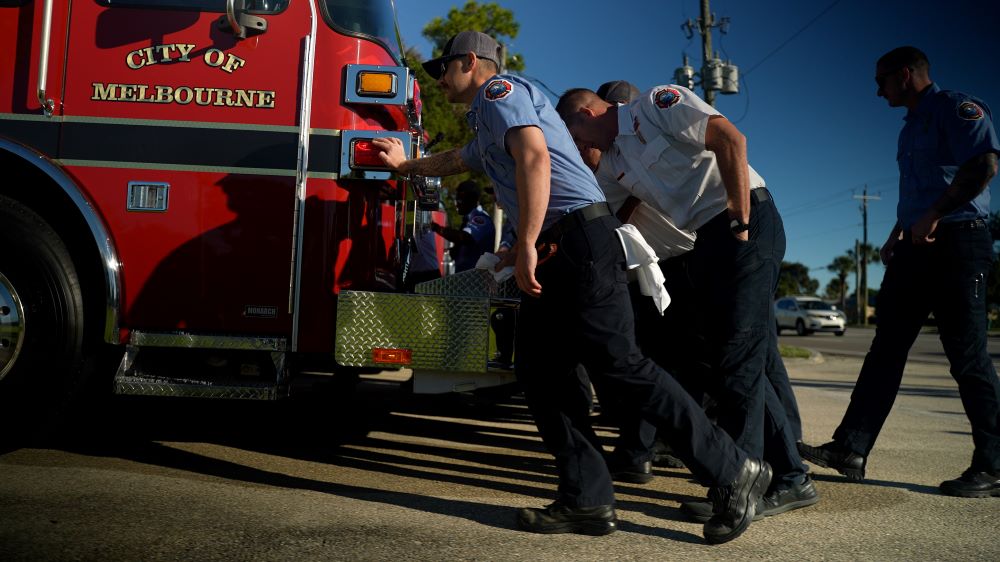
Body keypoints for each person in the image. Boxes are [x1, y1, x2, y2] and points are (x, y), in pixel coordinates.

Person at [372, 30, 770, 543]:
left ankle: (733, 471)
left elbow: (535, 159)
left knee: (621, 365)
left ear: (471, 62)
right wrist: (406, 165)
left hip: (578, 241)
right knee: (542, 372)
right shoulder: (488, 118)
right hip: (564, 245)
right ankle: (587, 499)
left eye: (442, 67)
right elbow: (458, 159)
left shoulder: (503, 95)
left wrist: (528, 242)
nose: (439, 78)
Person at [557, 84, 815, 519]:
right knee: (725, 362)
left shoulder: (657, 104)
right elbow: (594, 217)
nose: (580, 146)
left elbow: (730, 139)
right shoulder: (614, 163)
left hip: (746, 220)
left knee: (740, 360)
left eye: (574, 136)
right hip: (707, 241)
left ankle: (741, 491)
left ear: (585, 113)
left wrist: (738, 217)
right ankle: (789, 478)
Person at [798, 46, 1000, 497]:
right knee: (886, 347)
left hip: (958, 240)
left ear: (905, 75)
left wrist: (934, 214)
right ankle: (850, 447)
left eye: (881, 81)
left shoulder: (956, 108)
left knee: (967, 357)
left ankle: (994, 464)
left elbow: (984, 164)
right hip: (916, 244)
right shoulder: (909, 128)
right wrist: (898, 232)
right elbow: (921, 189)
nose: (877, 91)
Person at [431, 180, 495, 272]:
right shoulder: (468, 219)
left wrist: (437, 228)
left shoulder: (481, 218)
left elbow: (464, 237)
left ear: (471, 199)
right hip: (465, 277)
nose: (456, 203)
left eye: (460, 199)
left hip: (477, 279)